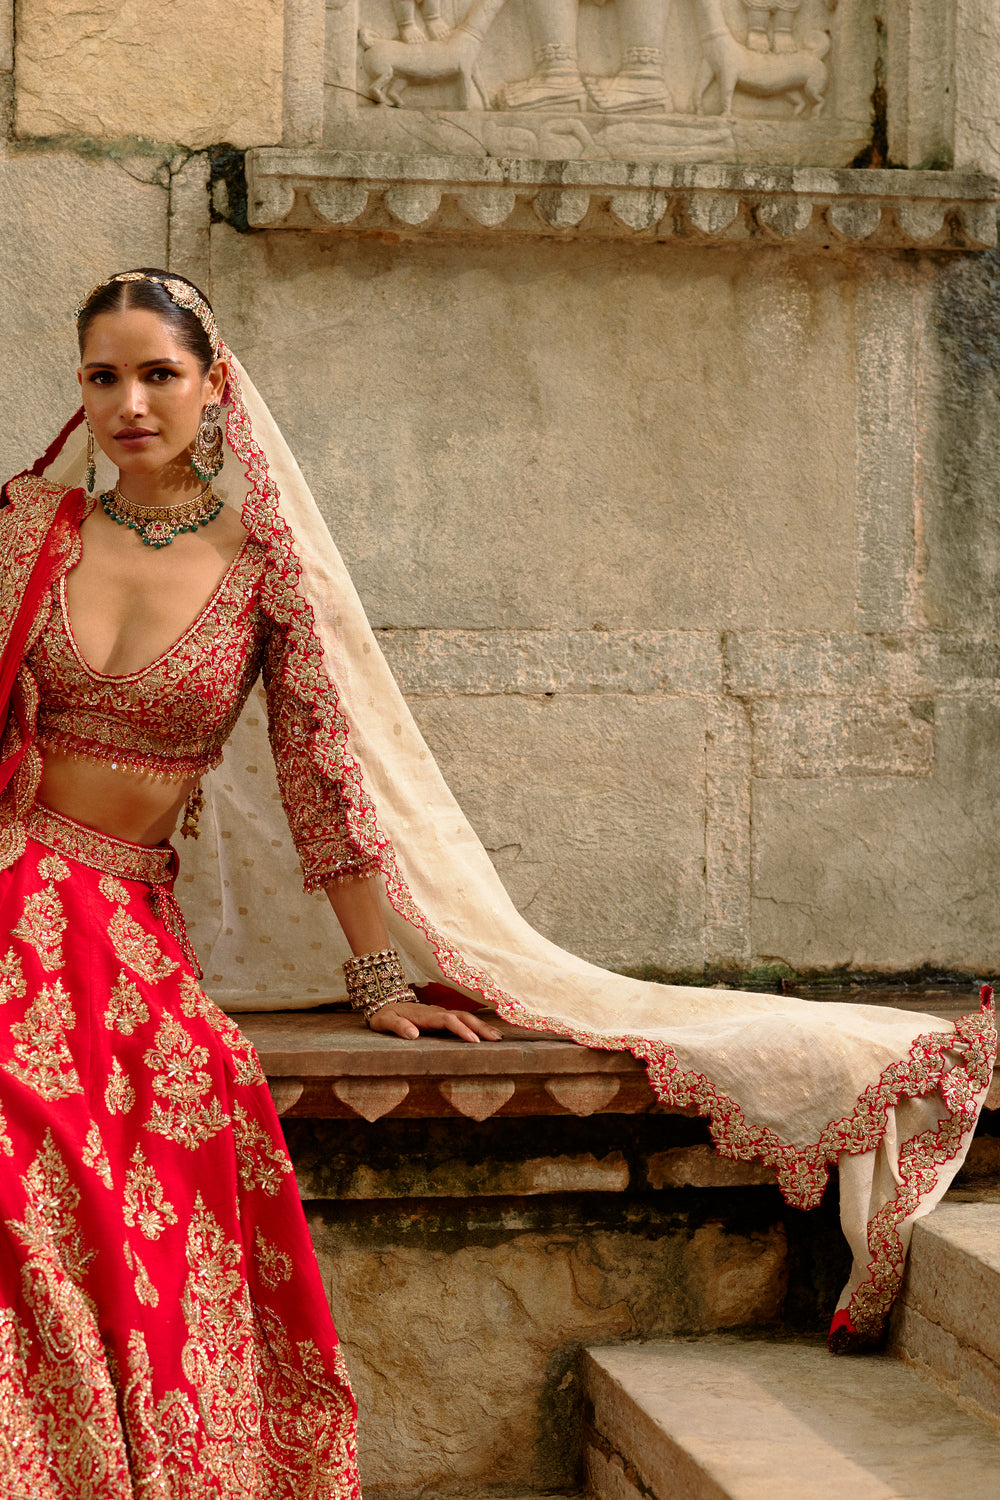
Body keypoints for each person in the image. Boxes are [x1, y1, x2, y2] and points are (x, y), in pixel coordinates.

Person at [0, 271, 994, 1488]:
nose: (131, 402)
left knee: (100, 1114)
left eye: (160, 373)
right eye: (104, 376)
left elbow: (325, 777)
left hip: (121, 917)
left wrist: (376, 976)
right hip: (14, 876)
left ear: (217, 386)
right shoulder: (26, 532)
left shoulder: (263, 565)